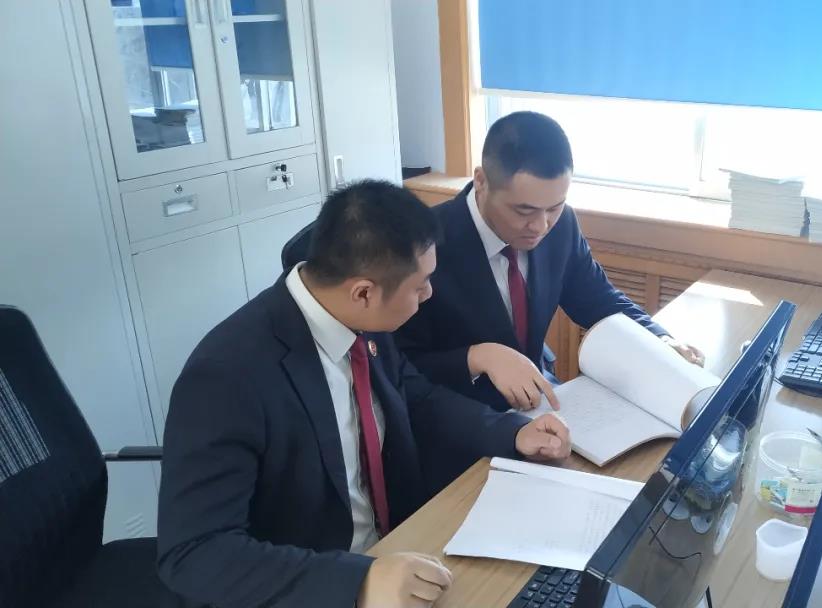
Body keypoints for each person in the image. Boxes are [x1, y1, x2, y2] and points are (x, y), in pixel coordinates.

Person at [157, 180, 571, 608]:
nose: (429, 294)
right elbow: (193, 553)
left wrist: (510, 432)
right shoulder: (226, 376)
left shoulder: (359, 319)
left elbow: (415, 396)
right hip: (317, 584)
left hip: (403, 549)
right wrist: (357, 582)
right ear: (363, 292)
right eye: (420, 286)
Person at [395, 111, 705, 416]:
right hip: (460, 416)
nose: (541, 226)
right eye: (524, 211)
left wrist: (659, 340)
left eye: (554, 207)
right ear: (481, 181)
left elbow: (597, 298)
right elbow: (399, 366)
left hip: (542, 400)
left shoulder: (562, 224)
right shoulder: (424, 245)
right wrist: (475, 358)